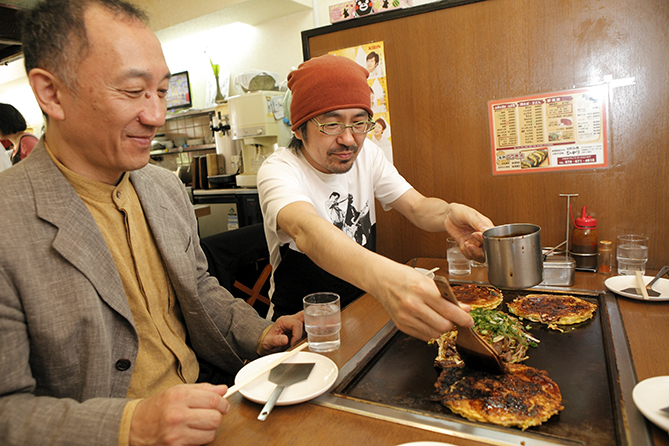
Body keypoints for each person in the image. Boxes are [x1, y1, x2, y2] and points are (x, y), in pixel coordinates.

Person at [0, 1, 304, 445]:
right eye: (131, 91)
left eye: (161, 91)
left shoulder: (161, 186)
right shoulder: (10, 221)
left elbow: (197, 288)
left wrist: (259, 332)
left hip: (215, 406)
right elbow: (8, 409)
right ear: (51, 93)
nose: (155, 115)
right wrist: (131, 424)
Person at [257, 54, 494, 342]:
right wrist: (388, 281)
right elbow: (306, 231)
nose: (348, 139)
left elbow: (417, 206)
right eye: (331, 125)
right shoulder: (278, 170)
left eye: (359, 123)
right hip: (303, 330)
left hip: (361, 313)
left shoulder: (367, 154)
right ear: (299, 128)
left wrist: (449, 214)